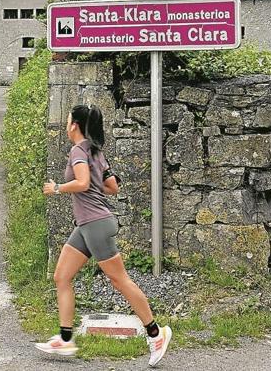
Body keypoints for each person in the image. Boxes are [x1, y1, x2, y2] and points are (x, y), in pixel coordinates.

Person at [34, 104, 171, 367]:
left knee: (119, 280)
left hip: (95, 224)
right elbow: (112, 186)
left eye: (67, 120)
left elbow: (83, 183)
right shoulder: (95, 151)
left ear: (74, 125)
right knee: (62, 276)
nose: (66, 124)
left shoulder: (78, 150)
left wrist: (57, 188)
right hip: (88, 225)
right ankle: (65, 339)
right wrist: (94, 186)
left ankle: (156, 334)